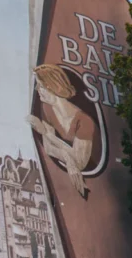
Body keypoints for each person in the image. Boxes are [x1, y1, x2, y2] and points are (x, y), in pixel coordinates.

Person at [26, 63, 95, 197]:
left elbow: (80, 163)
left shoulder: (83, 121)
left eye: (40, 85)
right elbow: (48, 148)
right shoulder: (47, 108)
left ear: (53, 87)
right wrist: (67, 158)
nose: (36, 89)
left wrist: (45, 133)